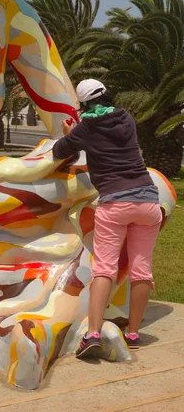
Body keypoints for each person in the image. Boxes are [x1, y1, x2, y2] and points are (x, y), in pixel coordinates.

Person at [52, 79, 162, 359]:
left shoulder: (86, 128)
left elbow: (60, 151)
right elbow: (110, 139)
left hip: (115, 203)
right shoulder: (126, 118)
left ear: (83, 105)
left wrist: (70, 131)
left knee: (104, 270)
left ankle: (93, 334)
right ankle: (134, 334)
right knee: (142, 271)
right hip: (149, 202)